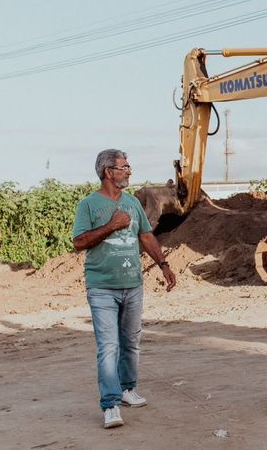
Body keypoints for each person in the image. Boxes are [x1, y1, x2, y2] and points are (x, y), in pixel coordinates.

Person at [72, 149, 176, 429]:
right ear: (108, 172)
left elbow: (145, 235)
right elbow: (79, 242)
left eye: (128, 166)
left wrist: (164, 264)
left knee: (131, 342)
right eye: (124, 167)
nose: (129, 171)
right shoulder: (89, 205)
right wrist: (112, 225)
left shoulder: (132, 203)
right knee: (108, 346)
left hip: (133, 286)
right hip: (102, 288)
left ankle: (128, 389)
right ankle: (110, 404)